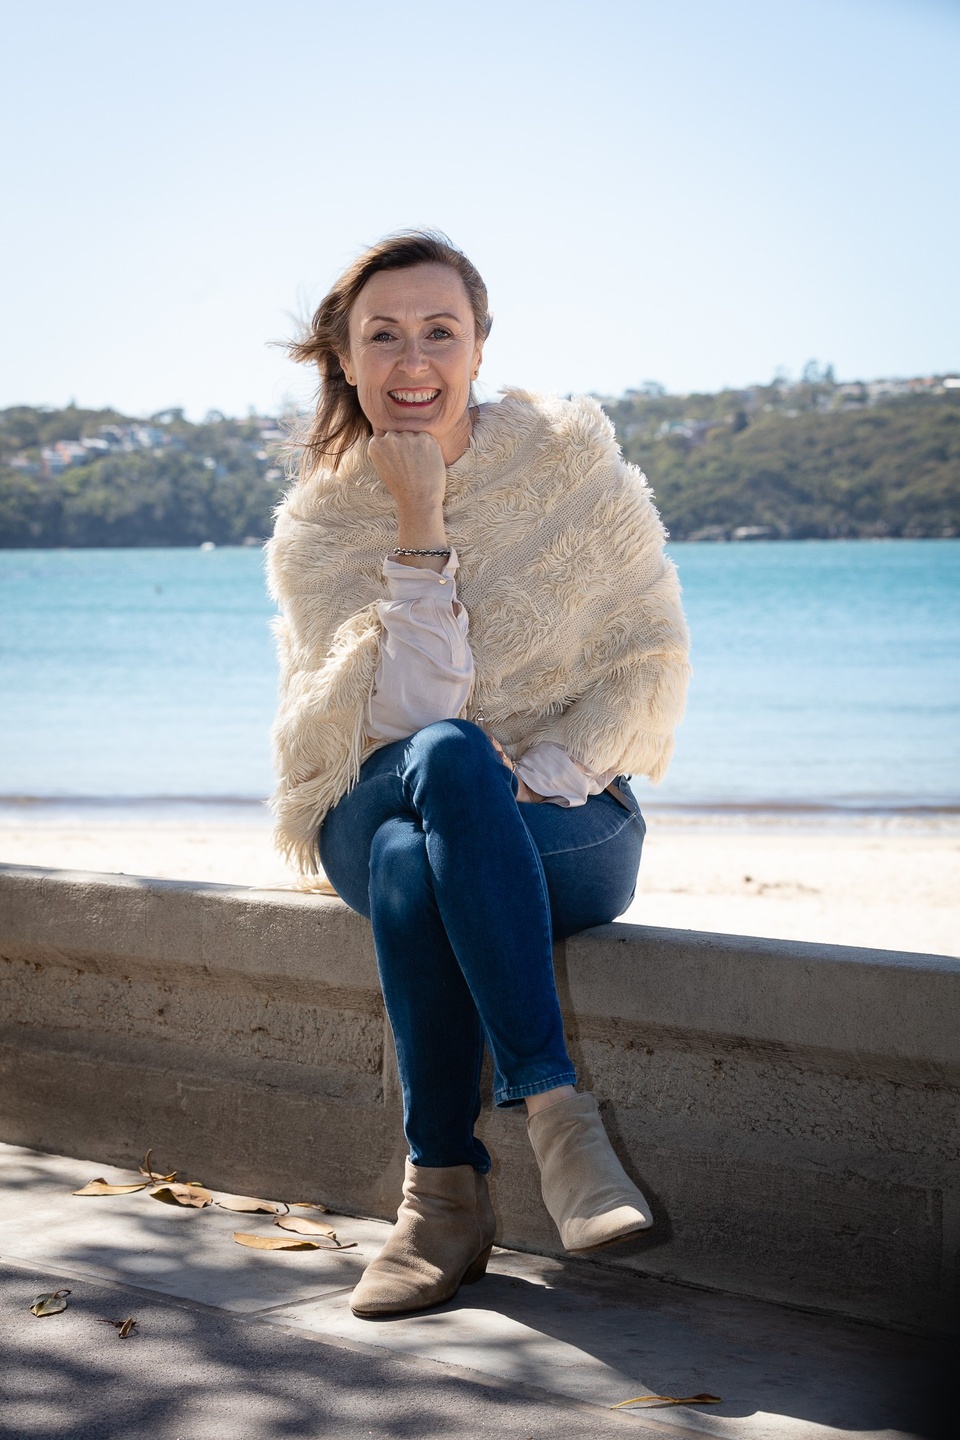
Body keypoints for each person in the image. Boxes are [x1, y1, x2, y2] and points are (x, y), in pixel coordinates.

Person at [267, 231, 690, 1319]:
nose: (415, 360)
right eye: (385, 336)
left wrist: (528, 778)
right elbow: (396, 724)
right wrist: (419, 528)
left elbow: (648, 660)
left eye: (440, 332)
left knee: (429, 849)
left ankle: (441, 1199)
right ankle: (559, 1124)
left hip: (567, 812)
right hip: (372, 799)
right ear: (347, 359)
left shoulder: (567, 466)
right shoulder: (321, 525)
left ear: (481, 346)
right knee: (441, 761)